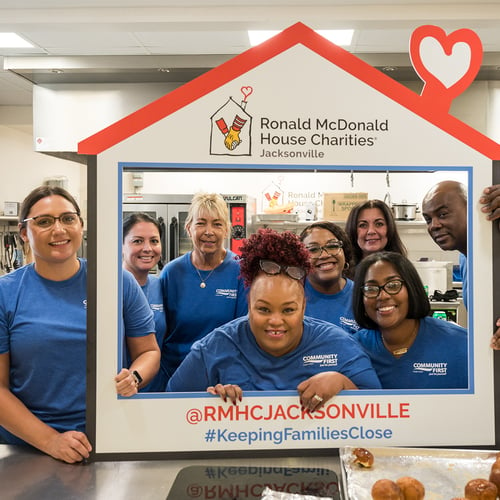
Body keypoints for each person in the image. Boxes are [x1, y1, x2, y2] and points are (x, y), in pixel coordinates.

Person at [0, 186, 160, 463]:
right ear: (24, 233)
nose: (59, 229)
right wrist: (50, 440)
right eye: (44, 221)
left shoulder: (117, 282)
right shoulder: (6, 293)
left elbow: (149, 352)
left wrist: (134, 377)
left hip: (109, 436)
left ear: (81, 225)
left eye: (67, 218)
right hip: (27, 447)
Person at [167, 228, 381, 411]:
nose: (276, 321)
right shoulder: (213, 349)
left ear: (304, 306)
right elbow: (169, 408)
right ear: (248, 304)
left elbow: (381, 411)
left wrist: (342, 383)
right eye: (264, 309)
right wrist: (207, 403)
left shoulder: (339, 344)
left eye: (288, 310)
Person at [159, 192, 247, 384]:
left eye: (217, 224)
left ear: (227, 230)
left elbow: (244, 334)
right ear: (188, 228)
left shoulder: (241, 270)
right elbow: (159, 331)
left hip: (223, 379)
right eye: (201, 223)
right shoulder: (171, 272)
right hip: (174, 375)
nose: (209, 231)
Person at [352, 251, 468, 389]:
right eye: (370, 288)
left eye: (393, 285)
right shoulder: (353, 349)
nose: (382, 296)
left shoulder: (460, 343)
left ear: (411, 288)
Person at [122, 212, 167, 392]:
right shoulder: (109, 288)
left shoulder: (160, 285)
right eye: (138, 241)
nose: (148, 248)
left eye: (154, 241)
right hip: (117, 393)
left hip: (155, 393)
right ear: (121, 245)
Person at [299, 221, 359, 334]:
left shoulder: (362, 296)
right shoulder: (291, 294)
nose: (325, 255)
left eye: (332, 246)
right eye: (313, 249)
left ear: (344, 252)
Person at [421, 180, 467, 307]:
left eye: (443, 214)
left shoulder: (492, 253)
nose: (433, 226)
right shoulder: (464, 258)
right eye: (428, 219)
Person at [344, 199, 407, 276]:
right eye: (363, 225)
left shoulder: (405, 271)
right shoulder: (342, 278)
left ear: (389, 229)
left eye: (379, 224)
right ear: (353, 231)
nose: (371, 231)